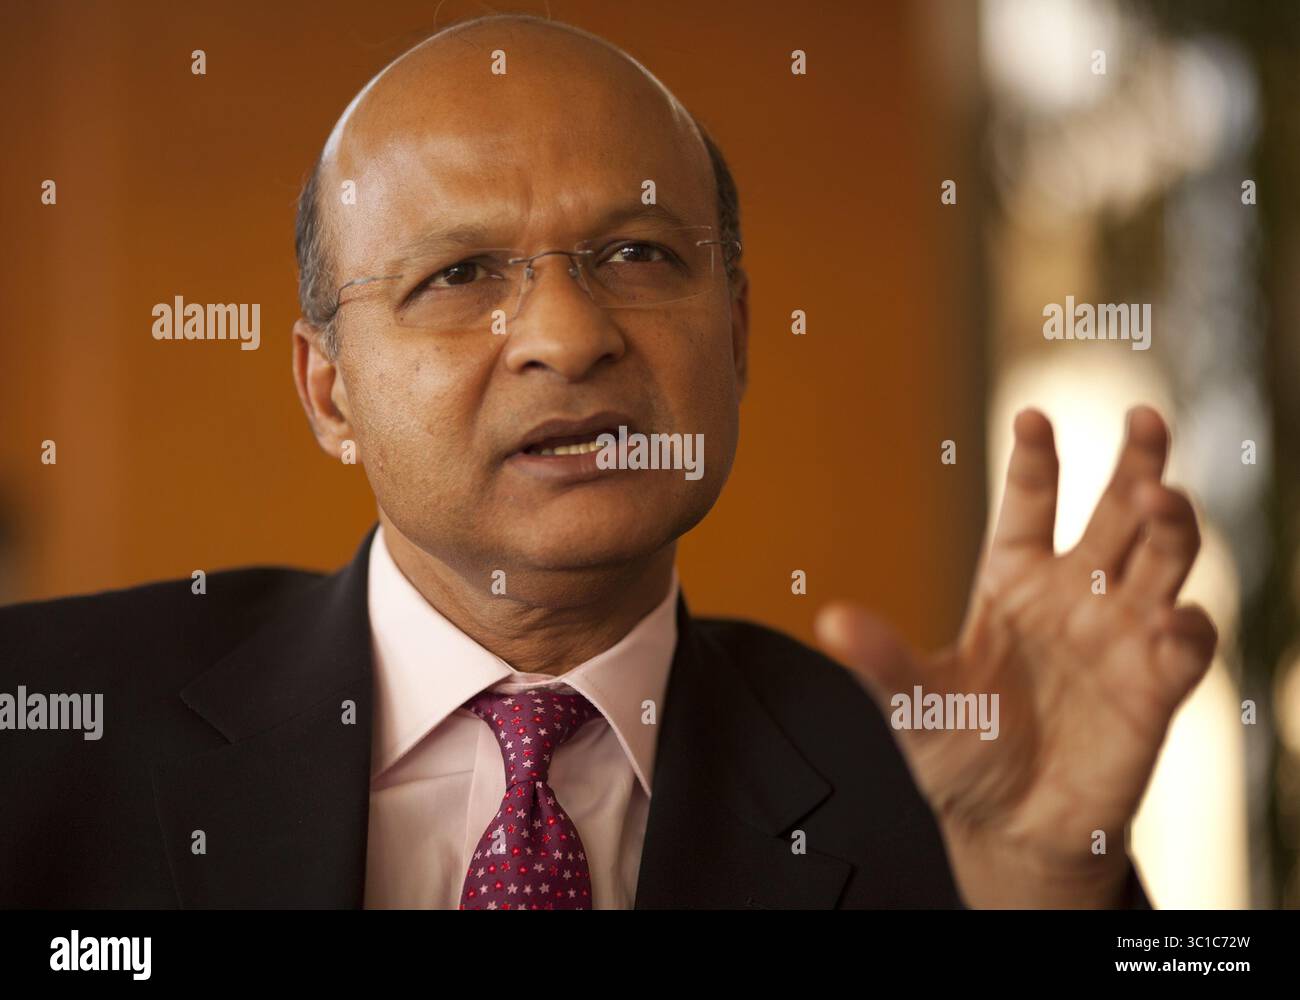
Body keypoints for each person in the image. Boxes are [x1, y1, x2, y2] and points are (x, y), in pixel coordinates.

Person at [0, 13, 1213, 909]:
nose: (570, 336)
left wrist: (1043, 888)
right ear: (331, 392)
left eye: (636, 255)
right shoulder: (46, 727)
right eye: (459, 274)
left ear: (736, 336)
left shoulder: (907, 788)